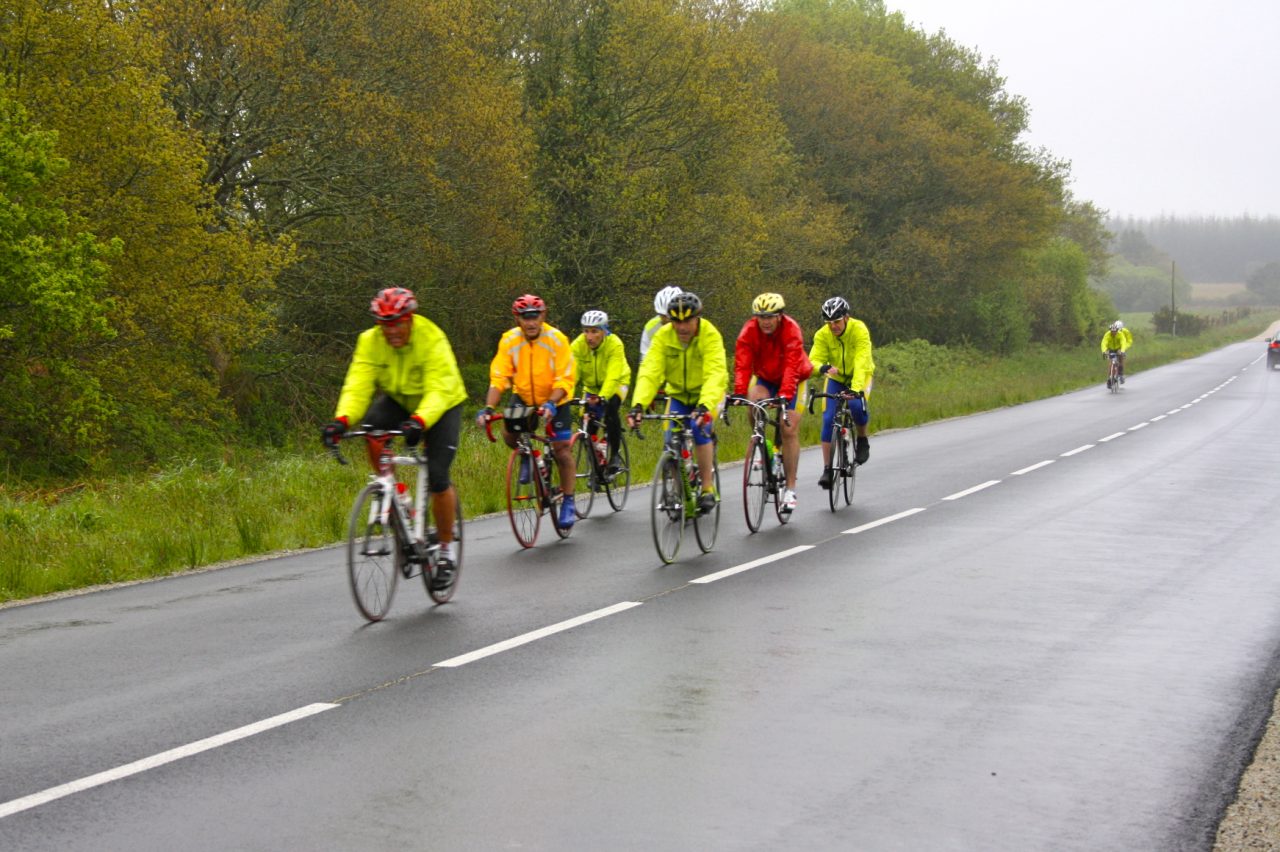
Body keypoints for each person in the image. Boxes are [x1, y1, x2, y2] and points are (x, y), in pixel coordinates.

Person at [322, 287, 466, 590]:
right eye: (385, 325)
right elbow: (358, 383)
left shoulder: (431, 337)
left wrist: (420, 421)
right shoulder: (370, 342)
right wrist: (341, 420)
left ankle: (445, 551)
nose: (392, 331)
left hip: (442, 403)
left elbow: (439, 389)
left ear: (409, 318)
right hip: (400, 399)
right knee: (372, 429)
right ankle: (399, 494)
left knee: (438, 475)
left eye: (398, 323)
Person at [476, 294, 579, 528]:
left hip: (557, 398)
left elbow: (566, 378)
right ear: (517, 318)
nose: (531, 322)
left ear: (543, 315)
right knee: (509, 434)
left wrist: (551, 403)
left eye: (535, 316)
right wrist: (489, 407)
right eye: (525, 317)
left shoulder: (556, 339)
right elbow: (499, 376)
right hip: (524, 397)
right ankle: (528, 456)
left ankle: (569, 501)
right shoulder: (509, 340)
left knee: (562, 451)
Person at [627, 291, 729, 514]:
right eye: (676, 322)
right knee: (669, 440)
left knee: (699, 428)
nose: (682, 328)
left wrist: (704, 406)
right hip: (679, 396)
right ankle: (679, 487)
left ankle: (707, 489)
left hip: (708, 393)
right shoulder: (664, 336)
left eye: (687, 321)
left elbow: (715, 373)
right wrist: (638, 405)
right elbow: (650, 371)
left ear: (697, 318)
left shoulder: (709, 334)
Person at [731, 292, 812, 514]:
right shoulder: (749, 331)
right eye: (761, 316)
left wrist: (785, 394)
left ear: (780, 316)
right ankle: (761, 443)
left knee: (788, 428)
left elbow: (792, 366)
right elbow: (743, 364)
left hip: (795, 379)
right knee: (753, 402)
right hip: (766, 377)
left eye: (770, 316)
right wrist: (738, 392)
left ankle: (790, 489)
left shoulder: (791, 329)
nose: (765, 321)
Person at [809, 296, 875, 489]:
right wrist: (822, 368)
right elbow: (812, 360)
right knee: (829, 418)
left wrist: (855, 390)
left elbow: (862, 361)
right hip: (836, 379)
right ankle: (827, 470)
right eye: (829, 323)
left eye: (836, 322)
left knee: (856, 406)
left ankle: (862, 439)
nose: (833, 326)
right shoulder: (822, 335)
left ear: (846, 317)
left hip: (860, 376)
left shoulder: (859, 329)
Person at [570, 310, 632, 475]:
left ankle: (615, 455)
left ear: (604, 331)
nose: (589, 336)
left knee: (611, 409)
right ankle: (597, 461)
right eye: (586, 331)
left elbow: (613, 375)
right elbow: (570, 376)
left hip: (618, 382)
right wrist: (565, 396)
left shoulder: (615, 344)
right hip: (591, 388)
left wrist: (603, 396)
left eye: (594, 331)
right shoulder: (577, 345)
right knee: (587, 421)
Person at [640, 285, 683, 361]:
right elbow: (646, 360)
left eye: (671, 316)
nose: (667, 319)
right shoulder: (651, 328)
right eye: (663, 315)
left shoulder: (694, 325)